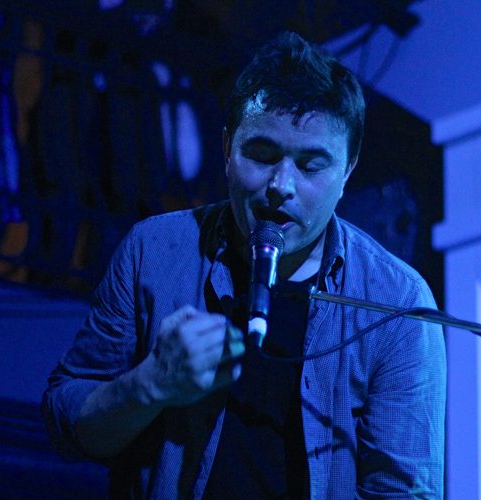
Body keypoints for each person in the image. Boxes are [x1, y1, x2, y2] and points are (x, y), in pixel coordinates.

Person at [43, 31, 446, 499]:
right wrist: (149, 385)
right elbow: (66, 424)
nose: (281, 186)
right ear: (227, 148)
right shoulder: (152, 251)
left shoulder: (398, 301)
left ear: (348, 170)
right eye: (261, 155)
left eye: (311, 166)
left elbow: (404, 492)